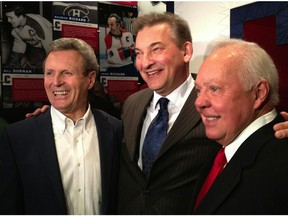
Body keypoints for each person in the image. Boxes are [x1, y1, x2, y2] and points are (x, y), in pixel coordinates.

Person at [25, 12, 288, 214]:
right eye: (139, 53)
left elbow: (258, 127)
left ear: (186, 51)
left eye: (156, 49)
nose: (145, 62)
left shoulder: (215, 102)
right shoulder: (132, 104)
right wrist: (52, 118)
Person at [0, 38, 123, 214]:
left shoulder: (116, 130)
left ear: (90, 80)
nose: (56, 82)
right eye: (49, 73)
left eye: (66, 73)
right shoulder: (17, 138)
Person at [192, 38, 288, 214]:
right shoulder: (222, 149)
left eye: (214, 89)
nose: (199, 102)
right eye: (198, 90)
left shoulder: (281, 164)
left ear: (258, 93)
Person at [4, 4, 52, 69]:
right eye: (7, 18)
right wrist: (14, 62)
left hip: (52, 43)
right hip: (37, 47)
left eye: (11, 18)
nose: (8, 21)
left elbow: (49, 47)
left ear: (20, 16)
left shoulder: (36, 25)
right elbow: (19, 45)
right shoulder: (15, 28)